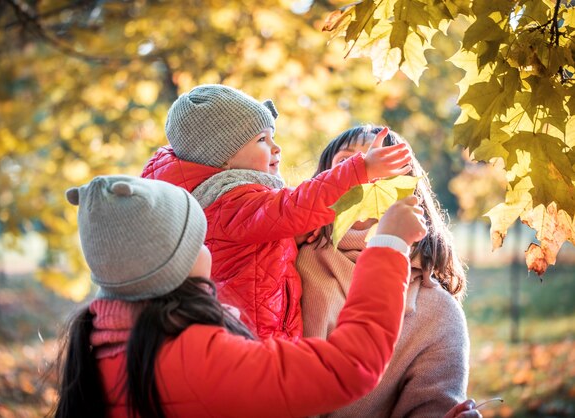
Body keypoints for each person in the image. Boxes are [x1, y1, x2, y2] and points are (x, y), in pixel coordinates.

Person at [52, 174, 427, 418]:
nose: (209, 249)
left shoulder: (99, 345)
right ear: (172, 264)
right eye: (198, 241)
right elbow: (349, 367)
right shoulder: (197, 359)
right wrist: (388, 244)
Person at [141, 84, 412, 340]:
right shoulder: (229, 201)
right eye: (262, 139)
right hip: (254, 338)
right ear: (224, 158)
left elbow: (258, 240)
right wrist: (359, 170)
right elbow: (293, 207)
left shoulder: (218, 198)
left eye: (273, 136)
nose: (276, 148)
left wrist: (289, 239)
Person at [297, 125, 472, 418]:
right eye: (345, 162)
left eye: (383, 162)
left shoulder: (437, 312)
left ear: (408, 190)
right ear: (321, 180)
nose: (363, 171)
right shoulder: (283, 261)